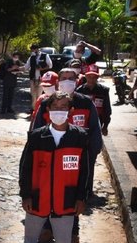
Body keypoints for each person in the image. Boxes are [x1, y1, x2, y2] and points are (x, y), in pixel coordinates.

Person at [14, 92, 90, 243]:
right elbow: (25, 168)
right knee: (30, 241)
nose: (59, 111)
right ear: (47, 111)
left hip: (65, 201)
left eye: (64, 107)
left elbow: (85, 171)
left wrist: (81, 197)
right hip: (38, 199)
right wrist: (26, 195)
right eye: (55, 107)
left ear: (71, 111)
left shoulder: (79, 137)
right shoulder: (37, 136)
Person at [33, 68, 102, 201]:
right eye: (64, 78)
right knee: (50, 185)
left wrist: (92, 152)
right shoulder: (46, 104)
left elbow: (95, 129)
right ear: (58, 82)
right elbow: (37, 129)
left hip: (78, 154)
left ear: (76, 81)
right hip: (51, 153)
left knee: (76, 190)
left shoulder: (86, 103)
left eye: (71, 78)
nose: (67, 82)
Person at [76, 70, 112, 137]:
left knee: (95, 138)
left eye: (94, 77)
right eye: (89, 77)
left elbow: (107, 108)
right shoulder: (79, 90)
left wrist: (105, 126)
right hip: (83, 119)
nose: (91, 79)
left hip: (98, 119)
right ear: (86, 77)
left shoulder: (103, 90)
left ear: (97, 78)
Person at [24, 44, 52, 111]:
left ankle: (38, 109)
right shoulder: (31, 57)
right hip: (33, 78)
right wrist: (17, 67)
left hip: (41, 78)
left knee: (39, 94)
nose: (33, 51)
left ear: (37, 49)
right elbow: (26, 67)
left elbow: (50, 65)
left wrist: (42, 69)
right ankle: (33, 108)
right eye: (32, 50)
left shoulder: (45, 56)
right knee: (33, 94)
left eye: (33, 49)